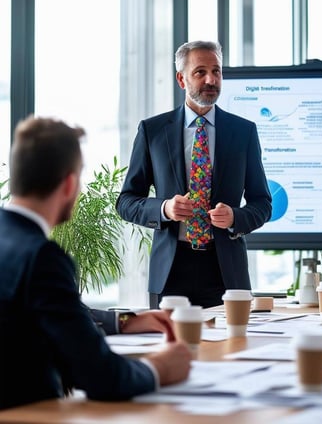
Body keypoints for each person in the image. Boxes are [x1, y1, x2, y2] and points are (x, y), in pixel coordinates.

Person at [0, 117, 191, 410]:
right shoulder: (42, 257)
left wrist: (125, 322)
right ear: (69, 184)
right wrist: (160, 368)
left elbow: (64, 312)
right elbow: (100, 376)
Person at [117, 40, 272, 309]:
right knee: (174, 349)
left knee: (230, 349)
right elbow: (126, 202)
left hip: (226, 273)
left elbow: (263, 204)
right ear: (181, 79)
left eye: (217, 71)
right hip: (171, 272)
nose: (211, 79)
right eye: (200, 72)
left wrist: (236, 217)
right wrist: (164, 208)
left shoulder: (243, 132)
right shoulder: (152, 131)